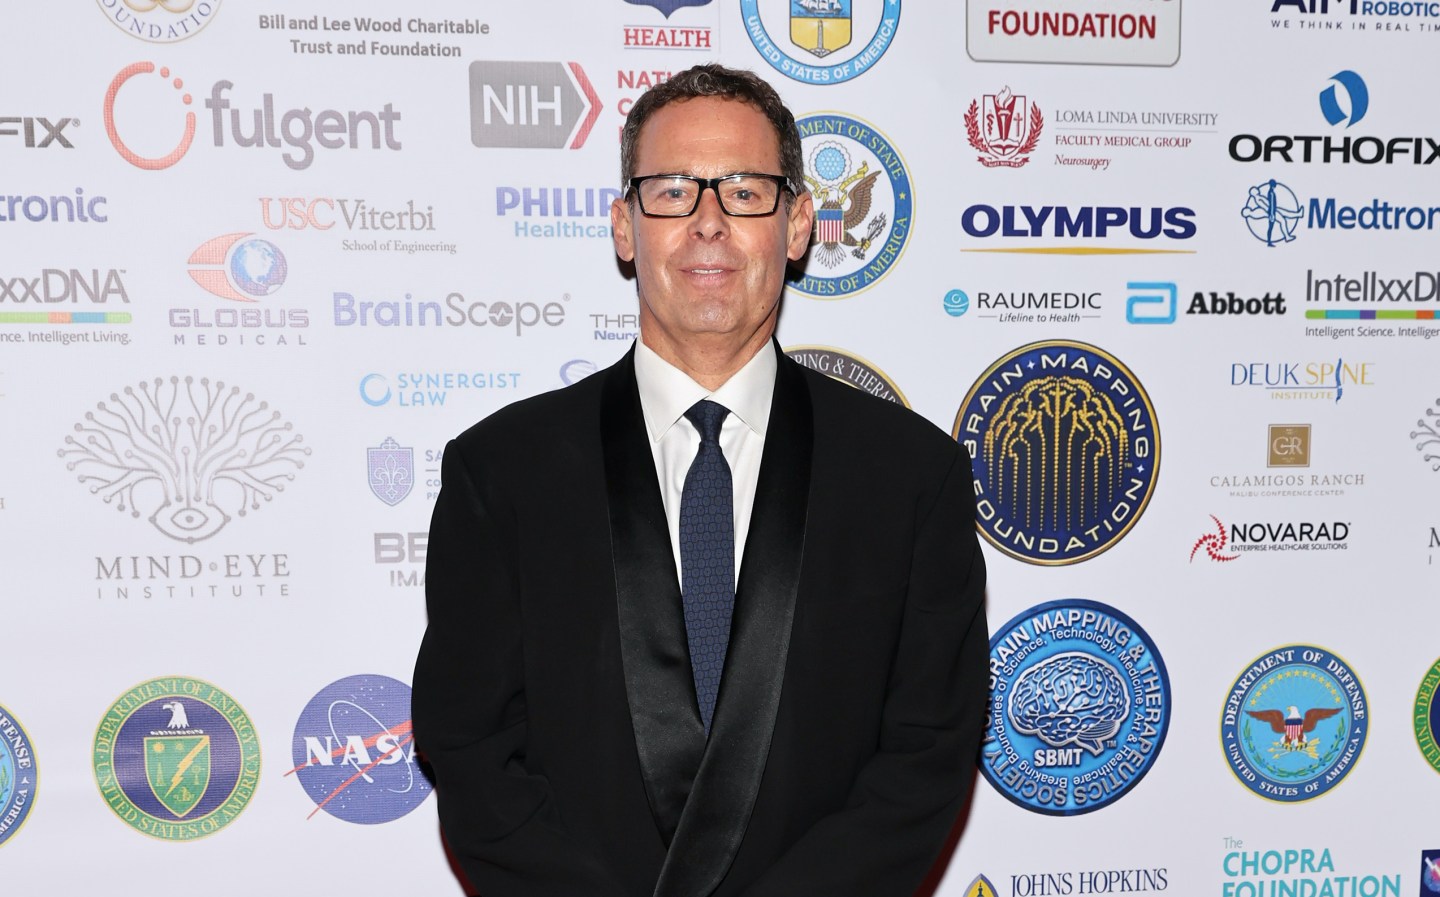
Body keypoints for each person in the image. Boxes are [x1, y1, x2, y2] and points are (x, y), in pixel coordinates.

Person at [413, 63, 988, 897]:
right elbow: (470, 750)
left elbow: (927, 755)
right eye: (674, 191)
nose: (709, 222)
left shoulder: (911, 477)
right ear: (625, 227)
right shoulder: (502, 472)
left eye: (746, 192)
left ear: (798, 225)